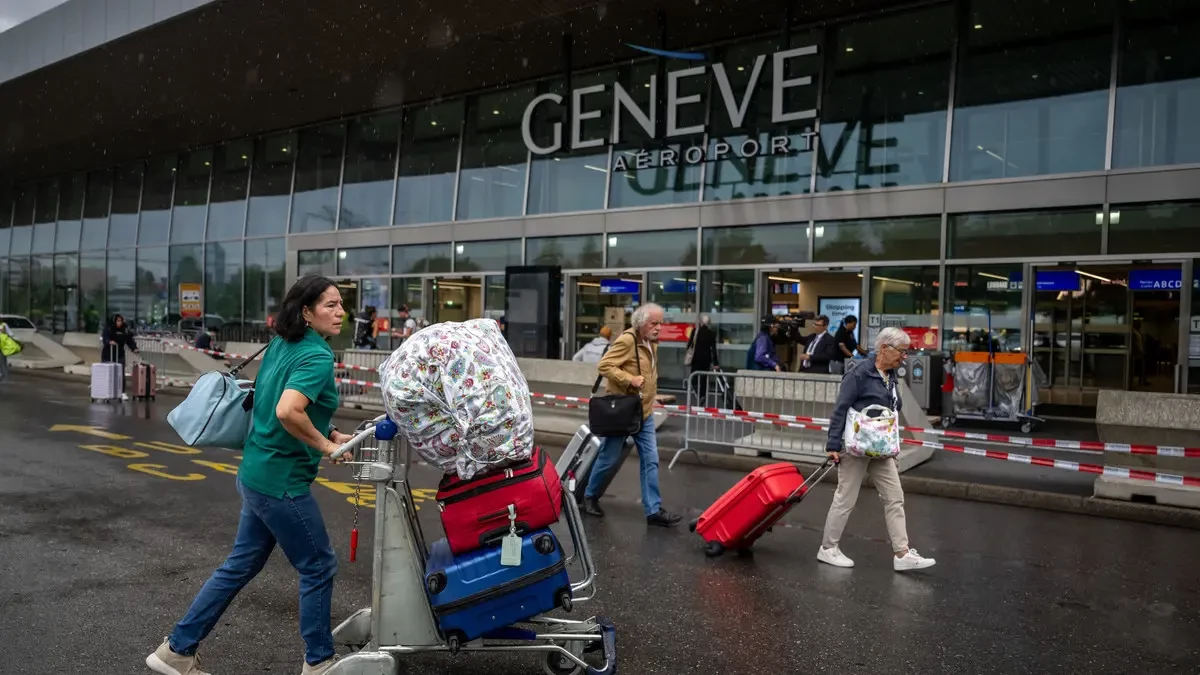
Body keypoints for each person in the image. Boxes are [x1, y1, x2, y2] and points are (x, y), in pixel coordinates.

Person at [146, 275, 355, 675]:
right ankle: (320, 661)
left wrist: (329, 432)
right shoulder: (316, 356)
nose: (340, 311)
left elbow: (275, 400)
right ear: (307, 312)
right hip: (281, 482)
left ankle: (176, 651)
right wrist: (326, 448)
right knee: (318, 566)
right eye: (330, 304)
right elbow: (287, 411)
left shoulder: (283, 343)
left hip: (257, 473)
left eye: (341, 304)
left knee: (239, 565)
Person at [817, 327, 936, 573]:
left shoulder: (890, 375)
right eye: (902, 351)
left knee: (895, 498)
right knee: (845, 498)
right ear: (884, 348)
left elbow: (894, 407)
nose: (905, 357)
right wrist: (832, 445)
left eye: (907, 352)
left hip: (881, 449)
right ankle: (828, 548)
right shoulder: (858, 374)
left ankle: (902, 554)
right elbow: (840, 409)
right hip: (856, 446)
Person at [582, 303, 682, 528]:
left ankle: (653, 510)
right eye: (654, 323)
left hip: (643, 412)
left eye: (660, 323)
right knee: (609, 458)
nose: (658, 328)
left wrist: (652, 396)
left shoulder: (651, 343)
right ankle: (590, 495)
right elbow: (605, 366)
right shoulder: (628, 340)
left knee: (651, 460)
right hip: (624, 413)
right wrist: (630, 380)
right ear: (640, 323)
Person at [101, 314, 140, 400]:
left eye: (120, 321)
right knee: (107, 373)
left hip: (120, 354)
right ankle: (105, 391)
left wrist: (134, 348)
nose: (119, 323)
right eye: (117, 321)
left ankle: (122, 392)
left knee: (120, 374)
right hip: (108, 354)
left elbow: (130, 340)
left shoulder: (125, 330)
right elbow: (105, 338)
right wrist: (109, 342)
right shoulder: (109, 329)